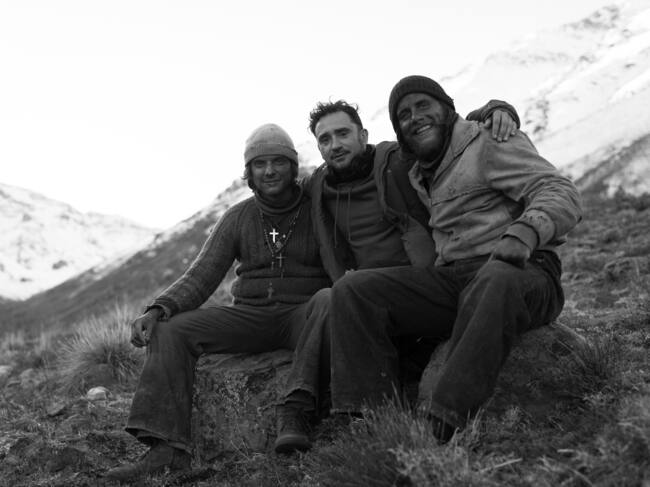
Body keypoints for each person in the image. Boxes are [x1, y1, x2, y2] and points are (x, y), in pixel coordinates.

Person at [325, 75, 582, 442]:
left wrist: (525, 232)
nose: (415, 117)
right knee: (353, 289)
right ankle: (368, 419)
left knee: (493, 278)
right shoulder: (419, 169)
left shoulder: (489, 140)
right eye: (404, 115)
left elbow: (559, 190)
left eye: (423, 106)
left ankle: (443, 422)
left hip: (523, 272)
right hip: (457, 280)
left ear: (447, 109)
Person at [274, 97, 521, 452]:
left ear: (363, 135)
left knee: (347, 296)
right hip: (365, 306)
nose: (334, 145)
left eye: (343, 134)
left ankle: (361, 415)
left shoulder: (400, 160)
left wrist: (495, 110)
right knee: (335, 296)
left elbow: (446, 128)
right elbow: (277, 192)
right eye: (324, 140)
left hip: (425, 289)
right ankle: (347, 420)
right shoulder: (319, 188)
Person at [105, 124, 332, 481]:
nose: (269, 171)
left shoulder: (318, 206)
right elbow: (202, 274)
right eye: (259, 164)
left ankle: (295, 413)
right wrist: (159, 309)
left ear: (293, 167)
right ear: (249, 173)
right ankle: (166, 450)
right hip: (250, 317)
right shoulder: (238, 217)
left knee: (328, 299)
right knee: (171, 330)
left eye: (278, 162)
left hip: (303, 315)